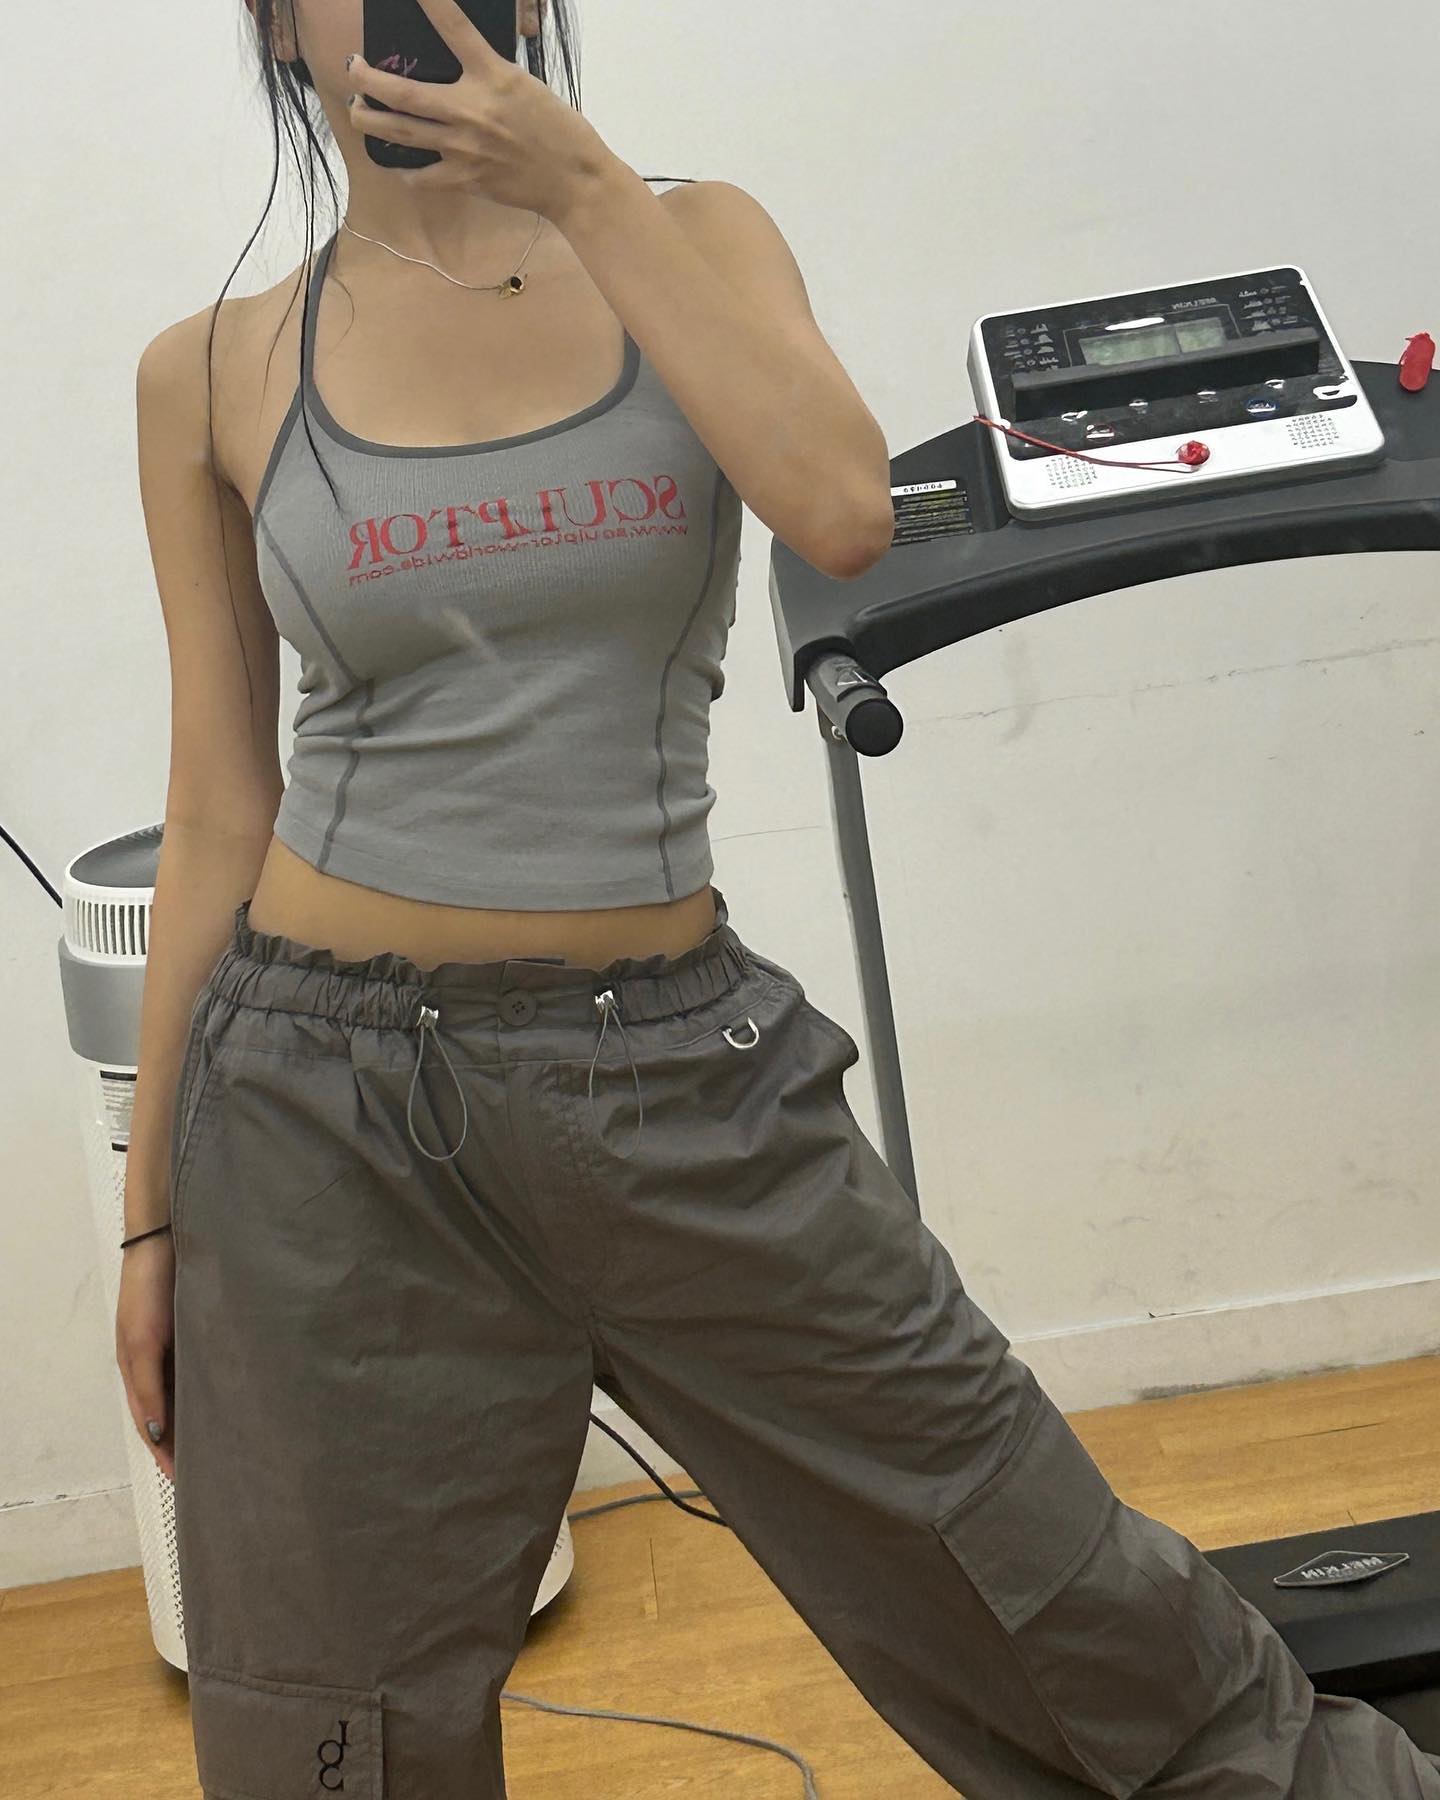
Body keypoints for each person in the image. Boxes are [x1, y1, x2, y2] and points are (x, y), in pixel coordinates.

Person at [116, 3, 1440, 1795]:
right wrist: (152, 1225)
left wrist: (585, 189)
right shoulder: (209, 368)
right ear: (281, 27)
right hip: (318, 1113)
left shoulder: (692, 236)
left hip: (668, 1073)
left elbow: (840, 510)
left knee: (1052, 1591)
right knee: (333, 1728)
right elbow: (217, 810)